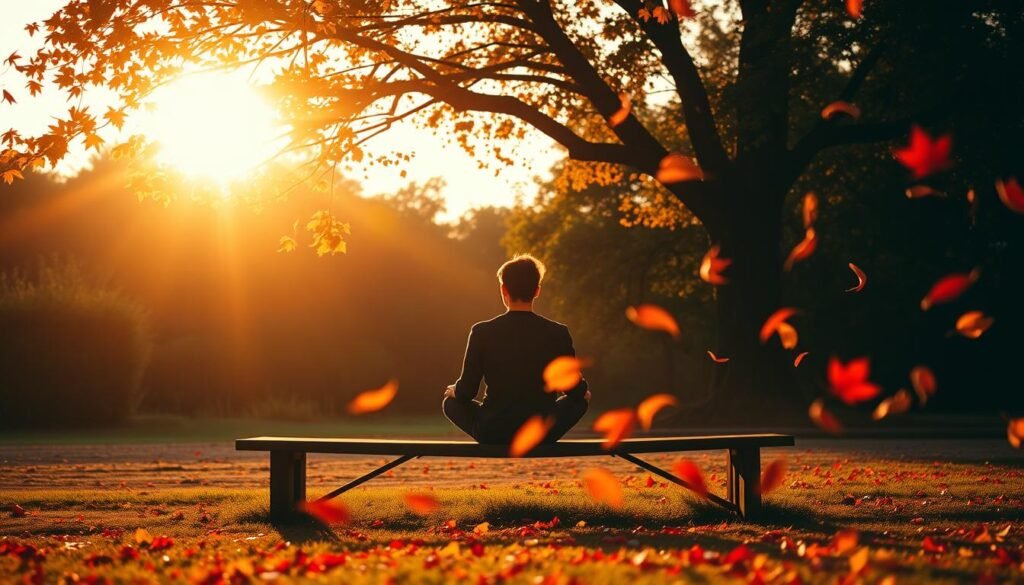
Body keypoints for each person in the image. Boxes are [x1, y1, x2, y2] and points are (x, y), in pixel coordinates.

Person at [442, 254, 590, 444]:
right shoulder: (558, 333)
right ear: (537, 291)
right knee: (579, 402)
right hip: (540, 432)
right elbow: (574, 390)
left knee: (450, 403)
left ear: (503, 289)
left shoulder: (482, 332)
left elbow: (466, 392)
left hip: (494, 431)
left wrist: (454, 391)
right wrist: (583, 393)